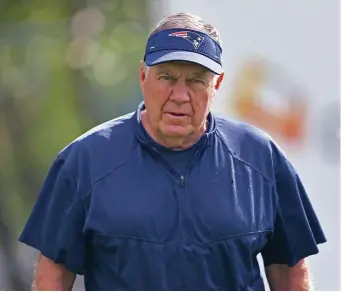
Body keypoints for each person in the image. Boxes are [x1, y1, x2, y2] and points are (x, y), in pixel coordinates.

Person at [19, 12, 326, 291]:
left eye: (196, 81)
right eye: (167, 77)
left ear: (217, 85)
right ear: (143, 76)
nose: (180, 96)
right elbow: (54, 274)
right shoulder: (84, 160)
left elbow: (290, 270)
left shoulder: (260, 158)